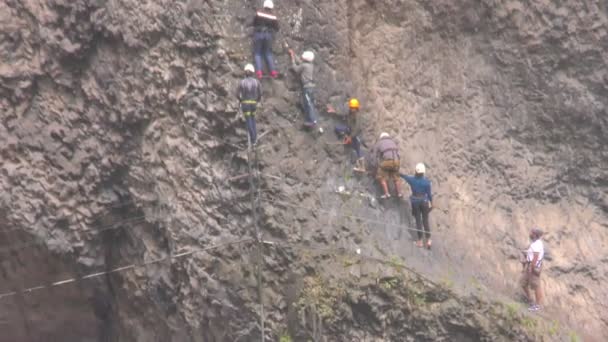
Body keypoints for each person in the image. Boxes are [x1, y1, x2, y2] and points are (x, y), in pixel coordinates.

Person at [400, 163, 433, 248]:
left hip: (415, 202)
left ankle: (420, 241)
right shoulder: (427, 182)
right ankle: (429, 240)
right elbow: (429, 195)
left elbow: (405, 176)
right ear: (423, 172)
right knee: (425, 220)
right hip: (424, 201)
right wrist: (432, 203)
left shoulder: (412, 180)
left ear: (416, 171)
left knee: (418, 220)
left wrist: (398, 173)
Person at [328, 98, 365, 171]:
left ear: (356, 108)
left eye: (353, 108)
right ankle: (346, 138)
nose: (351, 109)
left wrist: (350, 137)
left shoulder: (358, 116)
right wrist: (334, 111)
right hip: (349, 130)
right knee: (337, 128)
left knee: (358, 149)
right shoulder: (350, 113)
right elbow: (343, 114)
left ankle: (362, 167)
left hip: (356, 134)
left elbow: (357, 128)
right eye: (351, 107)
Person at [289, 49, 318, 127]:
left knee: (308, 104)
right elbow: (301, 62)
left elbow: (296, 69)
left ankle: (312, 121)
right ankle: (311, 119)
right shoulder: (310, 65)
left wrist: (292, 59)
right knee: (309, 103)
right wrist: (293, 54)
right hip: (311, 87)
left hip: (307, 87)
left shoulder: (304, 65)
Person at [236, 63, 262, 145]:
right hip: (253, 103)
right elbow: (260, 93)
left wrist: (241, 100)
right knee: (253, 119)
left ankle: (253, 139)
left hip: (245, 104)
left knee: (248, 120)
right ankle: (255, 137)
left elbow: (237, 94)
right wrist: (257, 100)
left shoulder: (242, 82)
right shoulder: (256, 82)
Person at [253, 0, 279, 79]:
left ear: (264, 5)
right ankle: (273, 71)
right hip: (268, 35)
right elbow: (277, 28)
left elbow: (254, 23)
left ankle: (259, 72)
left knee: (257, 53)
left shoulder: (259, 13)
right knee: (268, 53)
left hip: (259, 34)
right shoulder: (273, 16)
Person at [520, 228, 545, 312]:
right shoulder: (535, 243)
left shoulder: (537, 244)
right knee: (523, 283)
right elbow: (533, 254)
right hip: (529, 266)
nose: (529, 234)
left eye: (531, 232)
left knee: (536, 286)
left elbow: (536, 257)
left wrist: (532, 267)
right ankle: (530, 300)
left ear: (534, 234)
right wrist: (526, 252)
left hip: (533, 267)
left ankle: (538, 305)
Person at [373, 132, 402, 199]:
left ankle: (387, 194)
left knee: (381, 175)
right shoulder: (393, 142)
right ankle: (399, 193)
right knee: (396, 177)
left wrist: (376, 165)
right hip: (397, 161)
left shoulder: (379, 143)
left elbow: (375, 155)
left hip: (388, 162)